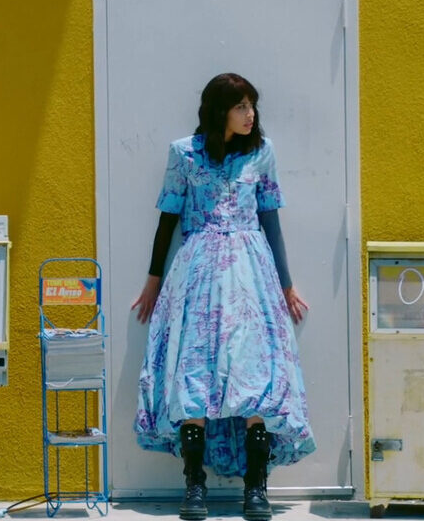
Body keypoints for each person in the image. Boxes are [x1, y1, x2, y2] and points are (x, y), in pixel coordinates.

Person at [130, 73, 315, 521]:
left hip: (252, 272)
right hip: (197, 271)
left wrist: (286, 283)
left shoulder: (262, 153)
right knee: (194, 370)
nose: (250, 114)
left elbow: (270, 222)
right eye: (240, 106)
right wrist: (154, 281)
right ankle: (194, 489)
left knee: (254, 372)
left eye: (252, 105)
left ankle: (257, 489)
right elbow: (167, 220)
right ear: (220, 111)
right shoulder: (184, 154)